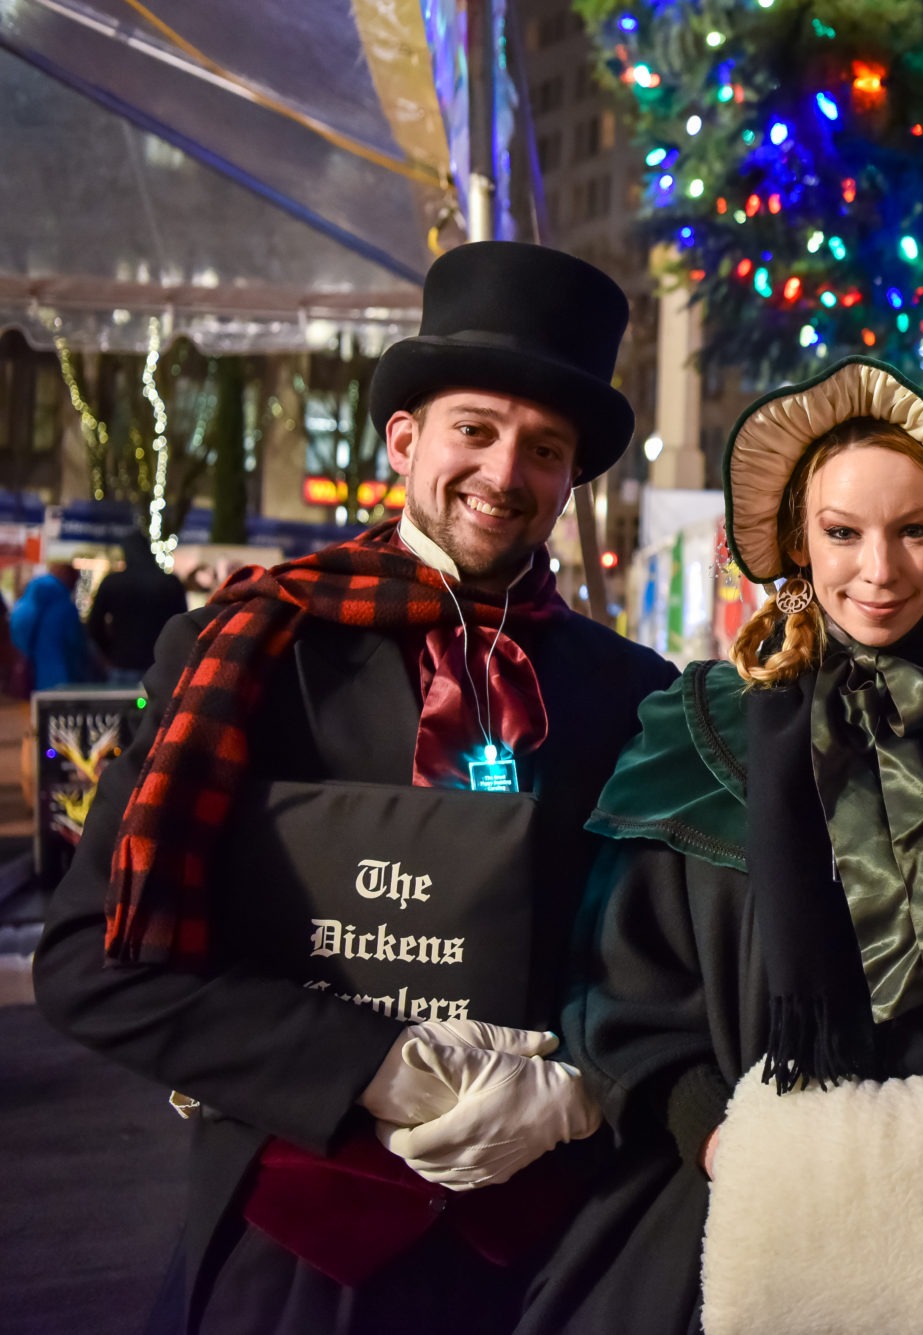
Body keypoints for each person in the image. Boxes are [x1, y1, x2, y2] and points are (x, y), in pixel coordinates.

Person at [34, 241, 677, 1335]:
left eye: (545, 448)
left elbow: (657, 957)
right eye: (474, 430)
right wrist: (377, 1068)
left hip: (547, 1258)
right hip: (296, 1261)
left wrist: (591, 1084)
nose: (504, 473)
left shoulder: (636, 695)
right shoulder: (243, 652)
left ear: (570, 480)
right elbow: (97, 964)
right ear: (404, 439)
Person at [523, 355, 923, 1335]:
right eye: (843, 533)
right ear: (797, 545)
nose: (879, 570)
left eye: (912, 532)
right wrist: (720, 1141)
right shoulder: (697, 736)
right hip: (736, 1215)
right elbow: (621, 981)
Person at [88, 530, 190, 687]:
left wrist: (109, 651)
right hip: (160, 662)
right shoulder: (170, 583)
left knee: (122, 708)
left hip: (122, 661)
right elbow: (183, 624)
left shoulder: (112, 583)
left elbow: (94, 626)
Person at [11, 560, 93, 689]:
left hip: (37, 670)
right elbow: (77, 643)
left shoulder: (33, 594)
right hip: (65, 673)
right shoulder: (65, 605)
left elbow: (19, 628)